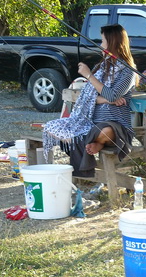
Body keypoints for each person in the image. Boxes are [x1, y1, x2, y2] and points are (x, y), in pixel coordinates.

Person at [43, 24, 136, 177]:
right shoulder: (102, 67)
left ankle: (95, 141)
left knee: (104, 131)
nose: (100, 45)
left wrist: (89, 76)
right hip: (91, 122)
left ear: (112, 43)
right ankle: (96, 142)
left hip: (115, 124)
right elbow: (88, 97)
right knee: (50, 127)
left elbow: (112, 95)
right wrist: (107, 100)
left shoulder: (128, 71)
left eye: (103, 41)